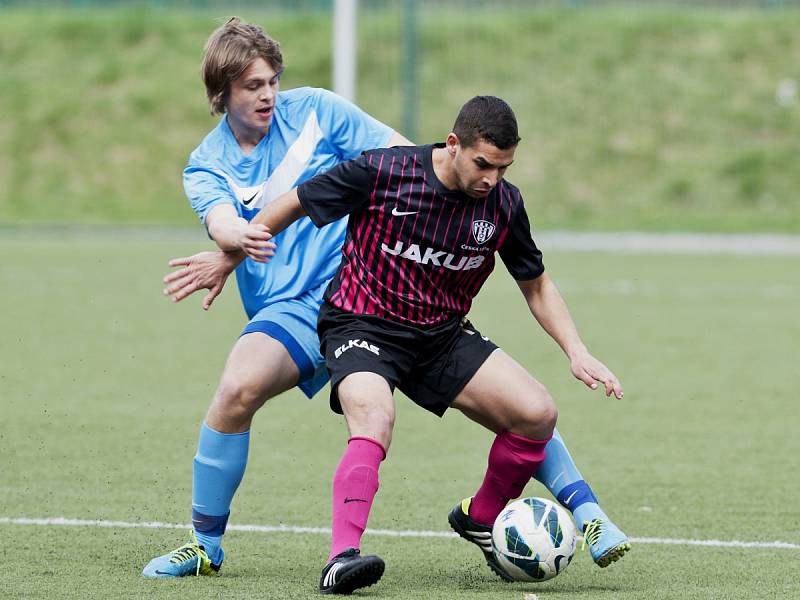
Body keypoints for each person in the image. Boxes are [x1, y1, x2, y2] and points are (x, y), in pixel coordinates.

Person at [147, 17, 629, 581]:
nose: (269, 94)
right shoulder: (207, 164)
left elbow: (404, 158)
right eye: (254, 85)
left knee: (526, 407)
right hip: (301, 307)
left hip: (379, 281)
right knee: (236, 389)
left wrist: (459, 198)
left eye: (273, 80)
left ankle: (583, 510)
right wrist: (229, 247)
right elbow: (227, 222)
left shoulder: (318, 111)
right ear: (221, 90)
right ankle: (206, 544)